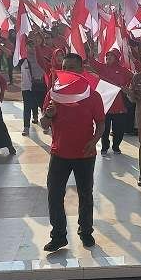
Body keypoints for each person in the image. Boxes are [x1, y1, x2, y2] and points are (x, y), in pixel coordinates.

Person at [40, 53, 104, 251]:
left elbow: (101, 124)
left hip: (84, 154)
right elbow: (44, 124)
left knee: (86, 195)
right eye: (65, 67)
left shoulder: (92, 95)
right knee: (54, 194)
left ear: (82, 70)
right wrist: (49, 115)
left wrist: (94, 142)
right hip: (59, 153)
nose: (69, 71)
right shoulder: (54, 94)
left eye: (73, 67)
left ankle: (86, 232)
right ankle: (58, 235)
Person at [89, 49, 133, 155]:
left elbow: (133, 78)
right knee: (104, 129)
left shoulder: (123, 70)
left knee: (119, 130)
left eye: (111, 56)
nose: (108, 58)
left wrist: (126, 88)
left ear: (117, 58)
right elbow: (92, 62)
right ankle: (104, 147)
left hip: (119, 107)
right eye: (107, 56)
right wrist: (90, 54)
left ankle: (116, 146)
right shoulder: (102, 68)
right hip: (105, 106)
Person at [20, 40, 47, 136]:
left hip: (39, 85)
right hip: (27, 87)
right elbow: (10, 54)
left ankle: (46, 125)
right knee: (27, 107)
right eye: (28, 45)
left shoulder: (40, 58)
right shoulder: (22, 59)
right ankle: (26, 127)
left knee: (42, 106)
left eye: (32, 45)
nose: (30, 48)